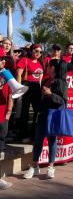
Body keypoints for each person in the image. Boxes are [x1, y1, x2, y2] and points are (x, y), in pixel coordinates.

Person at [23, 59, 68, 179]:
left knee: (52, 141)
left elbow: (63, 101)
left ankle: (50, 167)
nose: (46, 67)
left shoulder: (61, 82)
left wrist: (50, 94)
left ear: (53, 68)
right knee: (38, 141)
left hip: (52, 115)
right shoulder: (47, 80)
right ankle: (34, 166)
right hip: (42, 114)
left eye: (48, 66)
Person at [16, 44, 44, 142]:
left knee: (37, 112)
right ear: (31, 50)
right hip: (26, 86)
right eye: (36, 51)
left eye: (40, 52)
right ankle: (22, 135)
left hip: (36, 88)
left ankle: (34, 134)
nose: (38, 53)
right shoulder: (24, 60)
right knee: (25, 111)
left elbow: (40, 79)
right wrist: (18, 88)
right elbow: (19, 74)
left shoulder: (40, 63)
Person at [0, 57, 13, 190]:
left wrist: (9, 110)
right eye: (0, 59)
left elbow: (11, 94)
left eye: (4, 59)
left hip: (3, 116)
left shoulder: (6, 74)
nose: (3, 62)